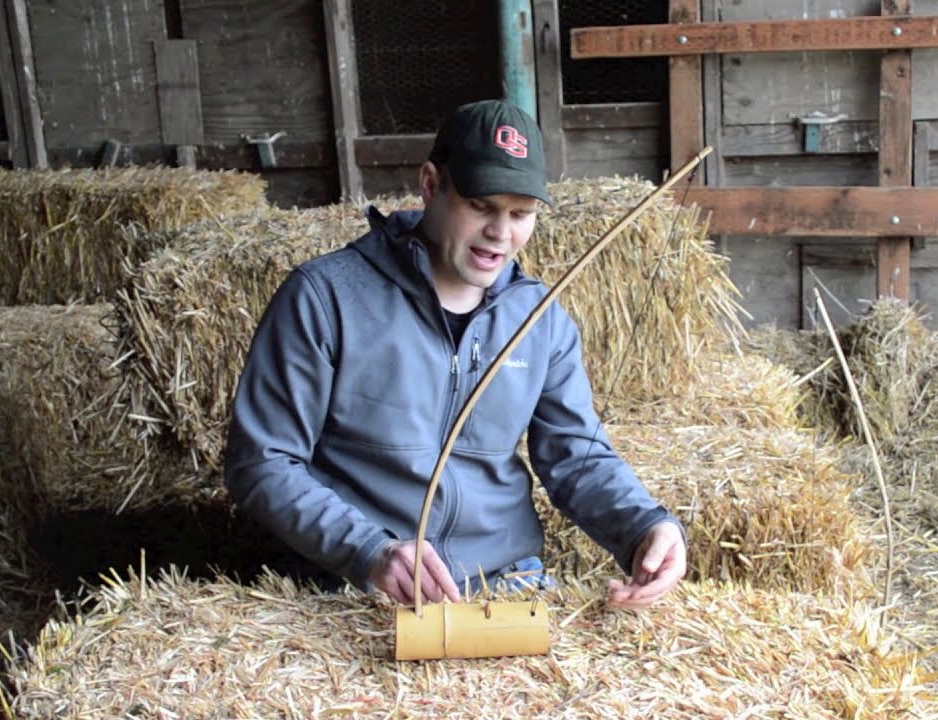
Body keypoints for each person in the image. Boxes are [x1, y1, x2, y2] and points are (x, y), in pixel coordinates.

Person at [224, 99, 686, 609]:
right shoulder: (324, 297)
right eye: (481, 206)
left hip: (503, 580)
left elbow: (577, 456)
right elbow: (262, 462)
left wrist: (645, 526)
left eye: (521, 213)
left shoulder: (541, 319)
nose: (501, 233)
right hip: (354, 586)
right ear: (430, 184)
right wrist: (368, 550)